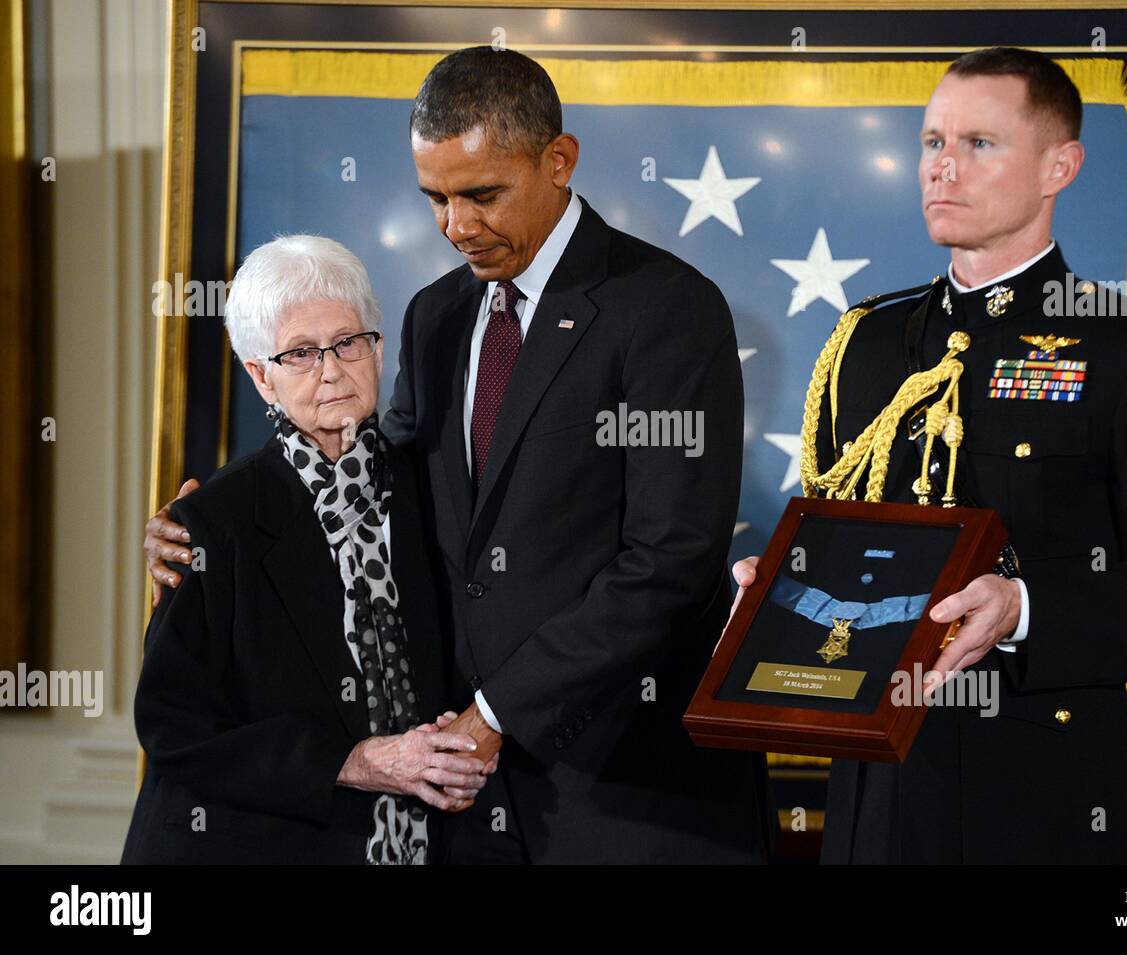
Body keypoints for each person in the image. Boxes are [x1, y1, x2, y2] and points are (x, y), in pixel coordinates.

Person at [146, 49, 770, 864]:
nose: (455, 225)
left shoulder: (665, 309)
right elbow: (380, 481)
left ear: (559, 159)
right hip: (464, 803)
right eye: (435, 197)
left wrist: (496, 712)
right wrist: (210, 528)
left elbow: (670, 562)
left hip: (626, 793)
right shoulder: (437, 315)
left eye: (481, 194)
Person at [732, 47, 1127, 863]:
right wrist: (784, 593)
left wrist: (1024, 609)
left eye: (978, 144)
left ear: (1061, 165)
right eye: (932, 142)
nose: (942, 168)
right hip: (879, 798)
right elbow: (853, 551)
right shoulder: (866, 342)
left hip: (1044, 795)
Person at [125, 235, 495, 865]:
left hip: (422, 843)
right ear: (259, 376)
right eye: (299, 353)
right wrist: (351, 763)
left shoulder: (432, 489)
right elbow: (174, 726)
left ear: (377, 350)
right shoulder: (213, 520)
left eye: (349, 342)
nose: (331, 370)